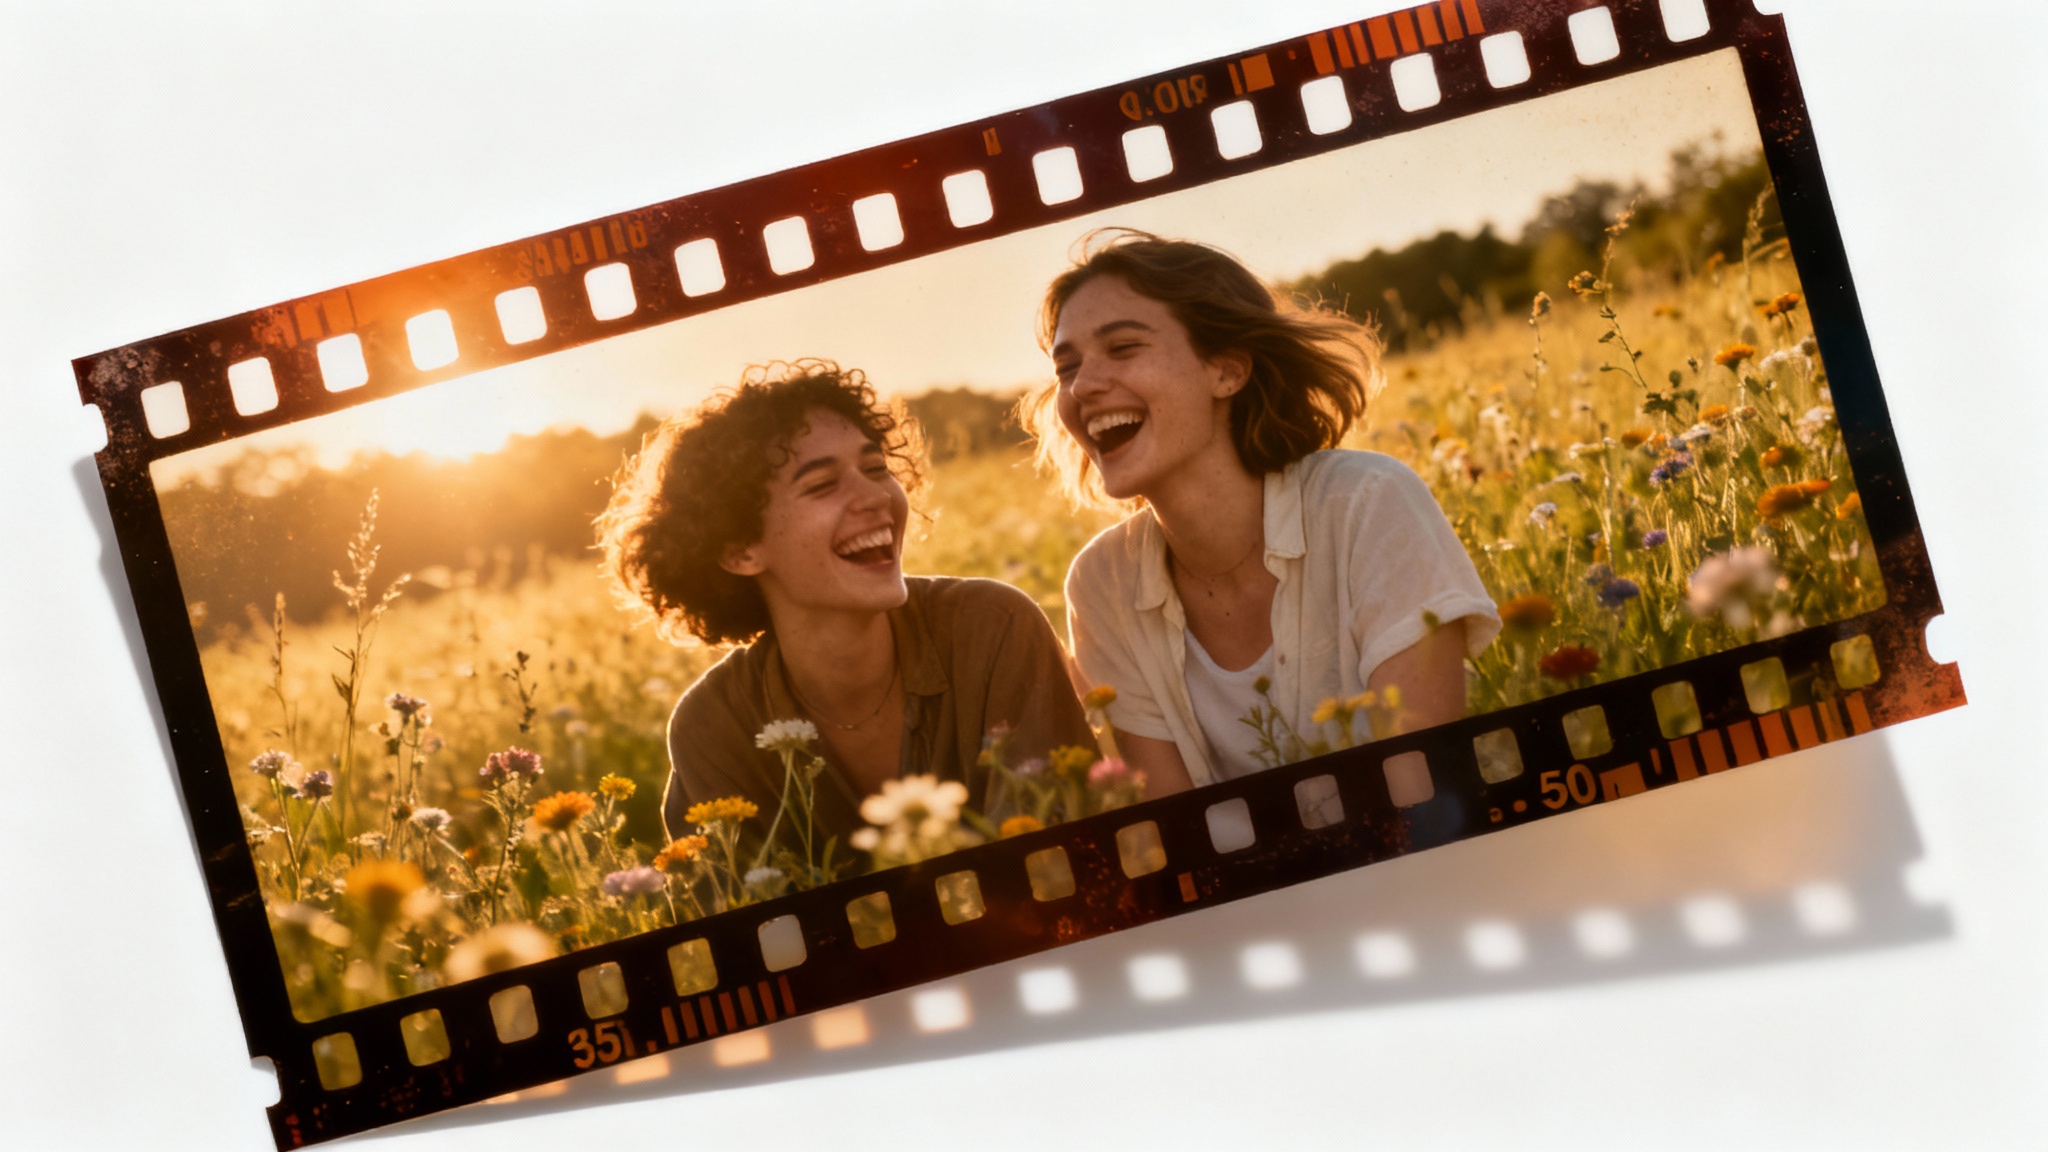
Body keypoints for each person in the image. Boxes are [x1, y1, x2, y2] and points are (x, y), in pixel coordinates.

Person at [1026, 231, 1500, 795]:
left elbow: (1426, 793)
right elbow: (1178, 831)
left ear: (1226, 370)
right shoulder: (1102, 581)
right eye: (1066, 368)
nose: (1084, 386)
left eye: (1124, 348)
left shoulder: (1368, 503)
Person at [599, 360, 1096, 848]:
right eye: (821, 485)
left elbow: (1058, 855)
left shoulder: (994, 629)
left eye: (876, 468)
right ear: (739, 551)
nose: (876, 496)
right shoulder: (711, 727)